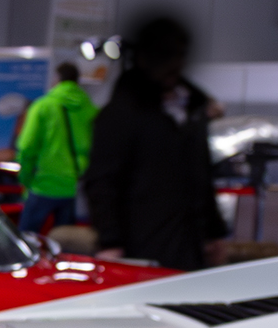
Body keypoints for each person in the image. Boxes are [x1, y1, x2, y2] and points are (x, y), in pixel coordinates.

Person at [84, 15, 226, 270]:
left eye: (178, 56)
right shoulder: (121, 115)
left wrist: (212, 232)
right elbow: (102, 181)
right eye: (165, 56)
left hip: (189, 245)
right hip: (140, 246)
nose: (174, 64)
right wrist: (110, 241)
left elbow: (201, 176)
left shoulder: (189, 111)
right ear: (144, 59)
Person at [13, 62, 95, 236]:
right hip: (74, 186)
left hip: (44, 183)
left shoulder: (43, 106)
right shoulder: (90, 110)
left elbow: (27, 146)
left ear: (57, 79)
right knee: (64, 244)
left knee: (26, 241)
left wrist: (25, 179)